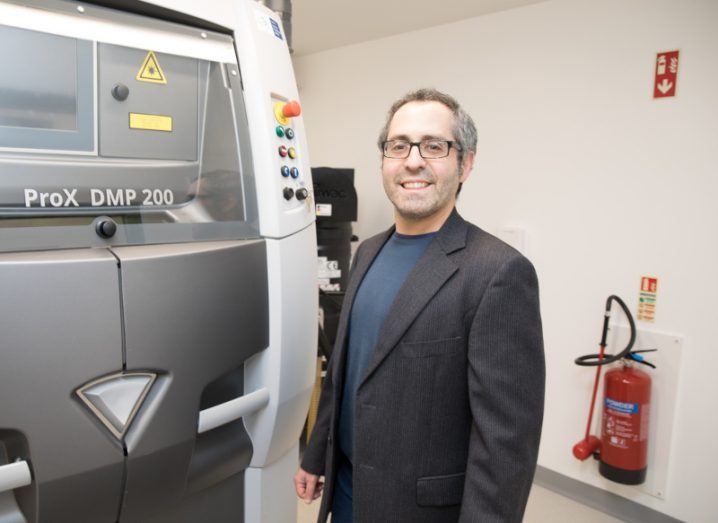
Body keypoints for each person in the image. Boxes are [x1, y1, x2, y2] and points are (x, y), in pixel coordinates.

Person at [295, 88, 545, 522]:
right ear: (384, 161)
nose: (413, 160)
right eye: (399, 145)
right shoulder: (368, 252)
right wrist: (317, 454)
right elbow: (345, 371)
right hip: (348, 493)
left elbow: (505, 442)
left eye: (434, 146)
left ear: (465, 163)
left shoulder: (497, 273)